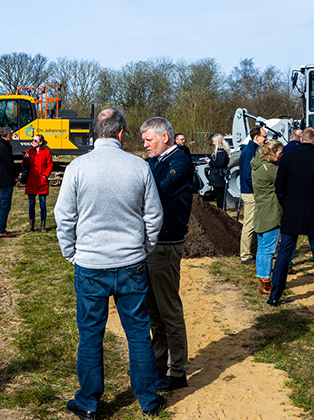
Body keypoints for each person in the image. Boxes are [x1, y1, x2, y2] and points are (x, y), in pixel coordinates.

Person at [55, 108, 165, 418]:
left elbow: (64, 216)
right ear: (121, 133)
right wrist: (144, 248)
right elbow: (154, 216)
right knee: (139, 333)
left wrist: (71, 253)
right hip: (131, 263)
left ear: (95, 132)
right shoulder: (139, 167)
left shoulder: (78, 167)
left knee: (90, 335)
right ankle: (148, 400)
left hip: (90, 264)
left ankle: (89, 403)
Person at [141, 117, 194, 392]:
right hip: (150, 245)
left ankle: (178, 370)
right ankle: (159, 364)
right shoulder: (155, 162)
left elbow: (155, 192)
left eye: (149, 140)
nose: (145, 145)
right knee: (153, 311)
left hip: (166, 244)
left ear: (164, 137)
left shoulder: (180, 163)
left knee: (169, 309)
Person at [269, 130, 314, 310]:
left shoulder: (288, 160)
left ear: (301, 139)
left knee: (284, 253)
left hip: (292, 212)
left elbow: (279, 188)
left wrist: (288, 205)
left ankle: (274, 295)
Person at [252, 140, 284, 295]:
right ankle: (266, 282)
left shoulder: (257, 166)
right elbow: (285, 182)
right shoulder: (269, 169)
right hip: (271, 212)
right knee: (269, 250)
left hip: (260, 211)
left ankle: (262, 278)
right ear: (271, 153)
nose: (281, 155)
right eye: (279, 153)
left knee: (262, 247)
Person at [237, 126, 265, 264]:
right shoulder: (249, 151)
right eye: (264, 137)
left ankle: (251, 252)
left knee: (253, 224)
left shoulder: (252, 149)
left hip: (251, 191)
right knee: (249, 224)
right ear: (256, 138)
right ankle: (245, 255)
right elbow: (249, 175)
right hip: (250, 192)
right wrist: (258, 189)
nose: (266, 139)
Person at [0, 127, 18, 237]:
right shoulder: (4, 148)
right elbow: (10, 164)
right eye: (11, 135)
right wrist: (16, 174)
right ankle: (2, 230)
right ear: (7, 136)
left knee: (1, 204)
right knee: (5, 205)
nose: (11, 136)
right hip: (5, 179)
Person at [22, 134, 53, 232]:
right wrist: (25, 159)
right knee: (31, 205)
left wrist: (45, 176)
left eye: (35, 140)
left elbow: (50, 165)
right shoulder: (29, 151)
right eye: (33, 140)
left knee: (42, 205)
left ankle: (43, 225)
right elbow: (24, 165)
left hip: (42, 182)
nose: (33, 142)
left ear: (40, 142)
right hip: (31, 181)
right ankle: (31, 225)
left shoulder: (47, 152)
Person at [203, 133, 229, 209]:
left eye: (214, 141)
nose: (213, 143)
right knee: (219, 197)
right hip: (217, 177)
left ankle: (222, 213)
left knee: (220, 197)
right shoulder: (219, 152)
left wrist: (210, 162)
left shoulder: (221, 152)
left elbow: (219, 163)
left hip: (219, 178)